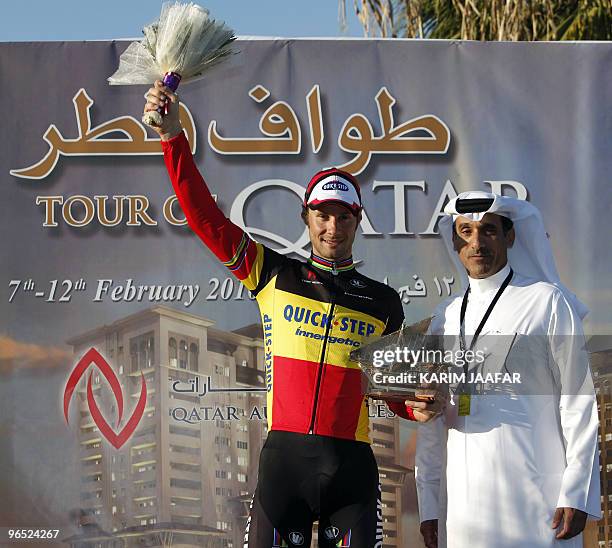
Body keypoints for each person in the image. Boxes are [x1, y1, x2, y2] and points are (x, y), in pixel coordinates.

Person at [143, 81, 426, 547]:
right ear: (306, 217)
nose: (332, 226)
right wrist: (172, 135)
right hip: (283, 467)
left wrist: (414, 408)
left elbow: (388, 392)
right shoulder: (271, 273)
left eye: (343, 216)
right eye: (323, 215)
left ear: (358, 220)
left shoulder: (384, 302)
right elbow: (202, 216)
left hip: (352, 472)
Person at [410, 191, 601, 548]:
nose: (477, 242)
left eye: (489, 231)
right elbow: (432, 421)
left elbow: (578, 401)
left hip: (537, 502)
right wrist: (429, 508)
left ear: (510, 237)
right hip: (465, 508)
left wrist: (577, 492)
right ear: (454, 242)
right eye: (465, 231)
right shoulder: (444, 316)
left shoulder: (546, 302)